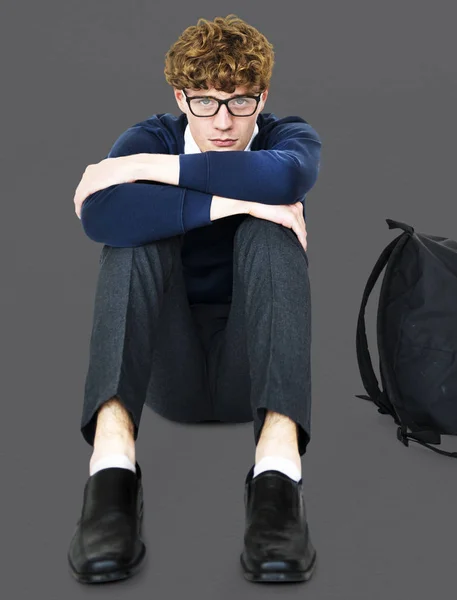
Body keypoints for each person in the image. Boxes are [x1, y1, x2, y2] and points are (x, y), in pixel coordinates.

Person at [66, 14, 321, 585]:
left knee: (273, 229)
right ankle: (111, 474)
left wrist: (137, 173)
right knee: (129, 241)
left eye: (240, 102)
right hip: (171, 371)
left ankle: (278, 478)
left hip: (252, 370)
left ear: (263, 98)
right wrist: (237, 201)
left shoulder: (288, 137)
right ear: (181, 98)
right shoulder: (149, 136)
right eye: (205, 103)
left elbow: (284, 182)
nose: (224, 123)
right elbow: (102, 217)